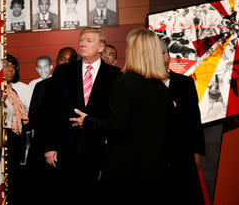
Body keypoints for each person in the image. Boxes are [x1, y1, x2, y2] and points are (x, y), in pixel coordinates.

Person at [71, 28, 173, 205]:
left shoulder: (124, 82)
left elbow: (117, 127)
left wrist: (87, 121)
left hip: (126, 173)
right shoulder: (162, 89)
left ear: (134, 51)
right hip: (156, 172)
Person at [43, 27, 121, 204]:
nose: (82, 44)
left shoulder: (115, 76)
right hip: (66, 150)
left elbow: (118, 116)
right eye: (81, 40)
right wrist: (50, 145)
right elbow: (50, 110)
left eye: (89, 40)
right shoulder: (63, 72)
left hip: (100, 150)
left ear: (101, 47)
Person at [23, 47, 78, 205]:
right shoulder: (43, 86)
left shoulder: (79, 88)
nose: (65, 63)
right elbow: (35, 118)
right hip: (43, 149)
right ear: (56, 61)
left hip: (71, 151)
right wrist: (49, 145)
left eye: (70, 60)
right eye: (62, 59)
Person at [161, 40, 205, 205]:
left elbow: (194, 119)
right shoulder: (144, 83)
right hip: (155, 156)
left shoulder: (185, 83)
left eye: (163, 53)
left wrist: (197, 152)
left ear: (168, 55)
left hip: (183, 153)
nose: (160, 57)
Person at [3, 54, 32, 205]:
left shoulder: (12, 91)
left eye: (13, 67)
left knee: (15, 181)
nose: (11, 70)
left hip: (16, 141)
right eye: (6, 65)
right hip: (3, 141)